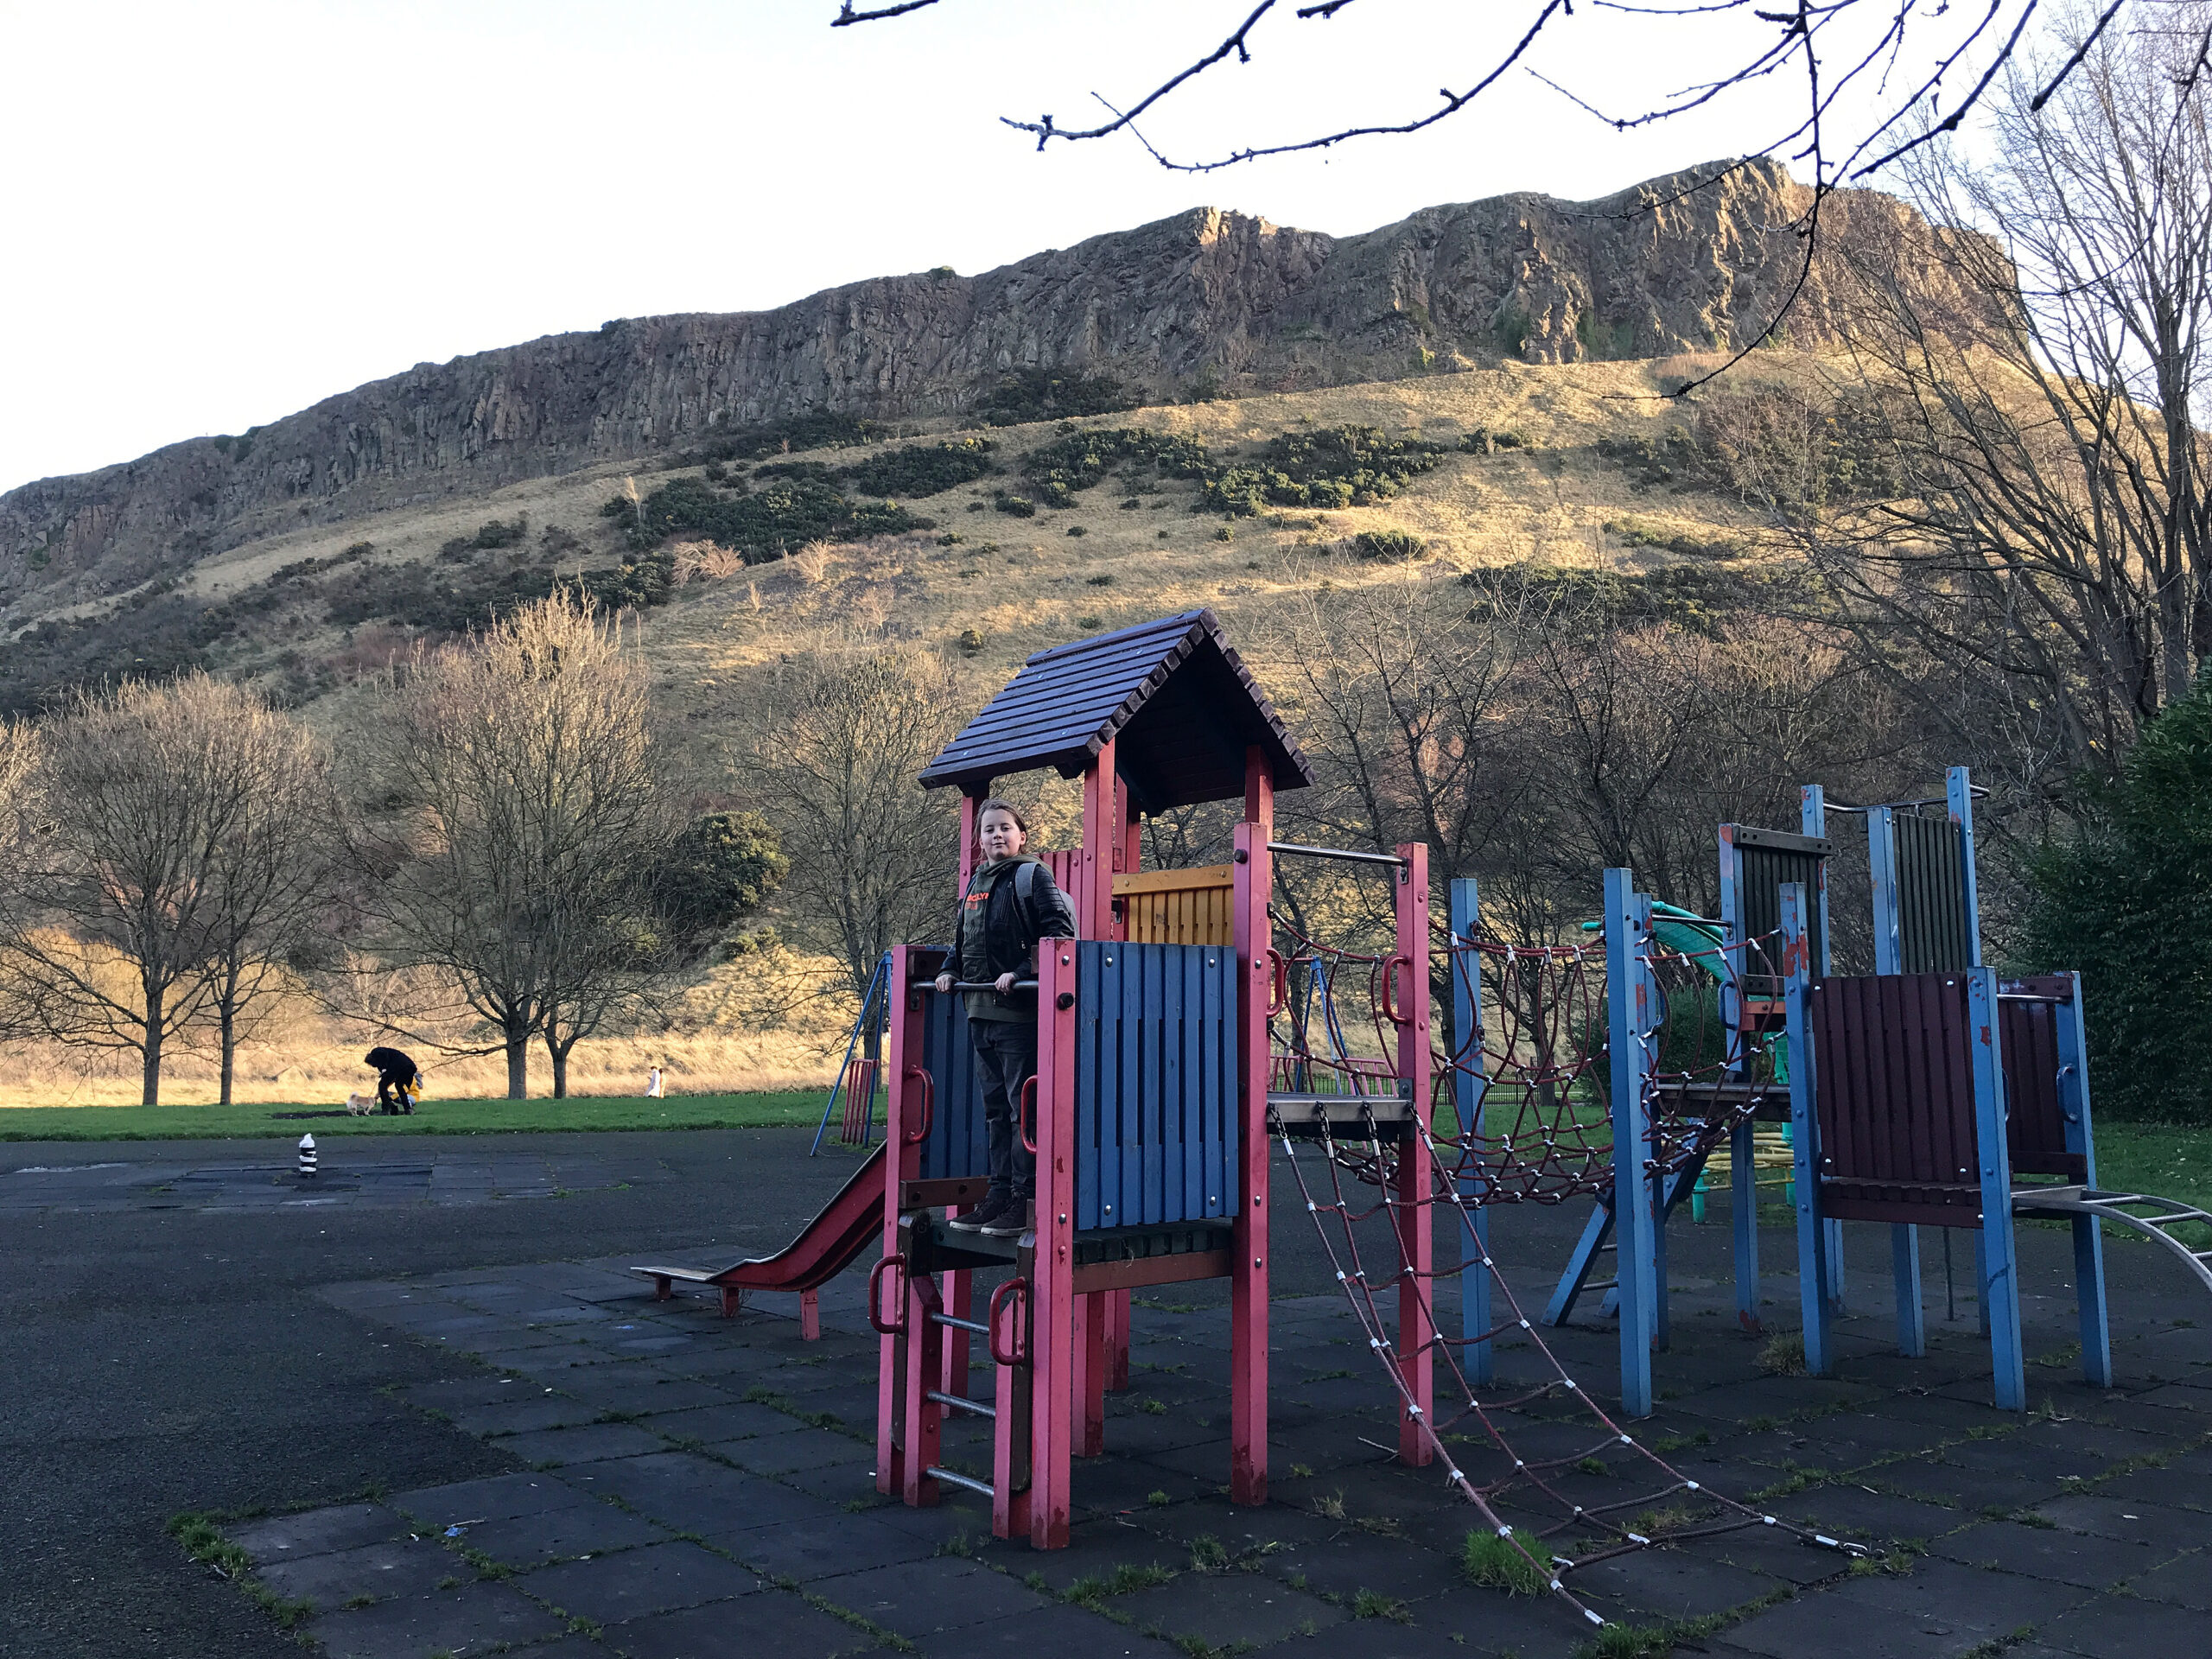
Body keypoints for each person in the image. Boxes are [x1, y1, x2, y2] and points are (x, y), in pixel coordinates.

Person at [934, 798, 1075, 1238]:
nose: (997, 836)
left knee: (1022, 1110)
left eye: (1005, 829)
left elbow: (1060, 934)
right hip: (979, 1012)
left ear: (1022, 836)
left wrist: (1023, 973)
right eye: (989, 830)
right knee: (996, 1109)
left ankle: (1023, 1197)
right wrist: (948, 971)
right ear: (979, 840)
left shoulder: (1032, 877)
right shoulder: (975, 886)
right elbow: (962, 944)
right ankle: (998, 1194)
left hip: (1017, 1016)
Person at [364, 1046, 421, 1116]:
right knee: (399, 1086)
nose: (373, 1066)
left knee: (382, 1085)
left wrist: (385, 1070)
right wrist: (384, 1073)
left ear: (372, 1059)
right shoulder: (386, 1057)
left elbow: (384, 1056)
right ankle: (408, 1109)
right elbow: (388, 1075)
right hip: (410, 1067)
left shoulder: (376, 1052)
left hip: (399, 1066)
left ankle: (386, 1110)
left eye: (372, 1064)